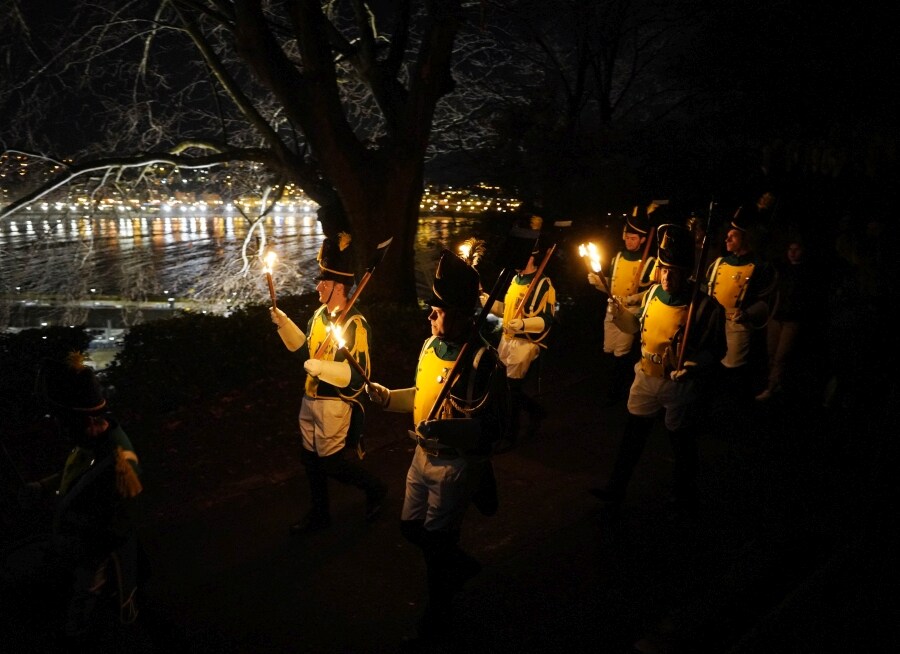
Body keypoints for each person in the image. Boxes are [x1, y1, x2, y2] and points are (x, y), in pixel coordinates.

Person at [366, 249, 507, 649]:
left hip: (455, 468)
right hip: (420, 458)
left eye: (438, 309)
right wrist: (387, 398)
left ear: (463, 314)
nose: (429, 316)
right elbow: (420, 397)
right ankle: (460, 567)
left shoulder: (482, 361)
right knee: (411, 528)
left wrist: (448, 429)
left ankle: (438, 617)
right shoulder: (429, 346)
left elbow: (494, 429)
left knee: (436, 547)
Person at [1, 352, 144, 639]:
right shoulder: (90, 442)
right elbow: (76, 477)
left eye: (63, 421)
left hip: (92, 552)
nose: (59, 428)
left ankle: (84, 633)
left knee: (86, 592)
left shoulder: (119, 466)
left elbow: (116, 527)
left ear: (89, 420)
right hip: (73, 541)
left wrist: (74, 535)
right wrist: (43, 486)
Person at [590, 224, 725, 516]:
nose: (667, 277)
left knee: (681, 444)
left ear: (687, 272)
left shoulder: (705, 307)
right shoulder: (651, 295)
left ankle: (685, 495)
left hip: (678, 385)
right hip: (645, 377)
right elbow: (636, 328)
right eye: (664, 269)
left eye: (674, 271)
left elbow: (717, 350)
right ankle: (615, 489)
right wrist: (619, 314)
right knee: (631, 439)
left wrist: (696, 364)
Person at [270, 233, 387, 535]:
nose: (317, 287)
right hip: (309, 400)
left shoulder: (355, 324)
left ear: (339, 287)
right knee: (309, 459)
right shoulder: (319, 316)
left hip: (335, 403)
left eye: (323, 282)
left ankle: (376, 488)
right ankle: (320, 514)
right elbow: (303, 350)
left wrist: (320, 367)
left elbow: (357, 374)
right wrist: (284, 323)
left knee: (331, 464)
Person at [482, 214, 556, 447]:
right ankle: (535, 411)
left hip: (525, 344)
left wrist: (523, 324)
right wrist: (485, 299)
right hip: (506, 341)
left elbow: (546, 319)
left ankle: (509, 435)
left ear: (531, 257)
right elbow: (506, 311)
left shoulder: (544, 284)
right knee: (505, 388)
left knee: (511, 391)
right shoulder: (515, 279)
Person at [704, 204, 777, 395]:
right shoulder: (718, 263)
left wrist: (746, 314)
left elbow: (765, 302)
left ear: (746, 238)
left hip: (738, 328)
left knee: (732, 375)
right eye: (728, 234)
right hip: (714, 326)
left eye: (734, 235)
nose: (727, 238)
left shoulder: (760, 267)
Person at [587, 206, 657, 404]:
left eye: (633, 238)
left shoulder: (651, 262)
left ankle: (618, 391)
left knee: (622, 352)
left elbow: (651, 292)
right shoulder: (617, 257)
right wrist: (600, 283)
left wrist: (635, 299)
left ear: (643, 240)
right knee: (608, 349)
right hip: (611, 308)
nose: (628, 240)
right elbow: (612, 285)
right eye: (627, 236)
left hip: (630, 312)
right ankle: (608, 386)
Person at [756, 237, 816, 401]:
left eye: (797, 249)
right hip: (777, 316)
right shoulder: (782, 270)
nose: (793, 253)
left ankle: (771, 387)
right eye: (790, 249)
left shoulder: (807, 272)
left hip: (792, 320)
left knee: (781, 355)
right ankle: (777, 384)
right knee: (771, 353)